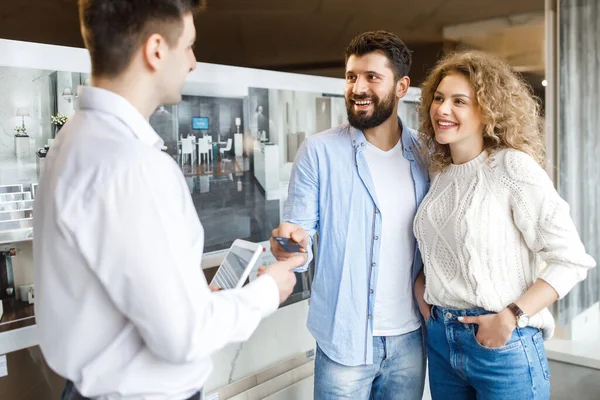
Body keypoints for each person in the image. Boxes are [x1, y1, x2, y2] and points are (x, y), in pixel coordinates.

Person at [33, 1, 303, 399]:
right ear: (156, 49)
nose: (193, 62)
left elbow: (130, 292)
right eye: (189, 46)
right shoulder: (133, 166)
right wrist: (267, 291)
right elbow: (184, 337)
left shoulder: (74, 138)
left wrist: (190, 299)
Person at [413, 50, 596, 400]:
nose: (442, 110)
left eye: (459, 101)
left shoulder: (513, 168)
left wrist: (511, 316)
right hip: (441, 340)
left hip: (501, 346)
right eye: (438, 99)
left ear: (487, 111)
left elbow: (572, 260)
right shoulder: (438, 174)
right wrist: (423, 291)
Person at [269, 31, 429, 399]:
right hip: (344, 340)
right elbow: (300, 237)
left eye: (372, 77)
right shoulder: (319, 152)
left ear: (402, 86)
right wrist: (289, 249)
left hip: (410, 338)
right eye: (351, 76)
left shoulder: (426, 154)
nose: (358, 87)